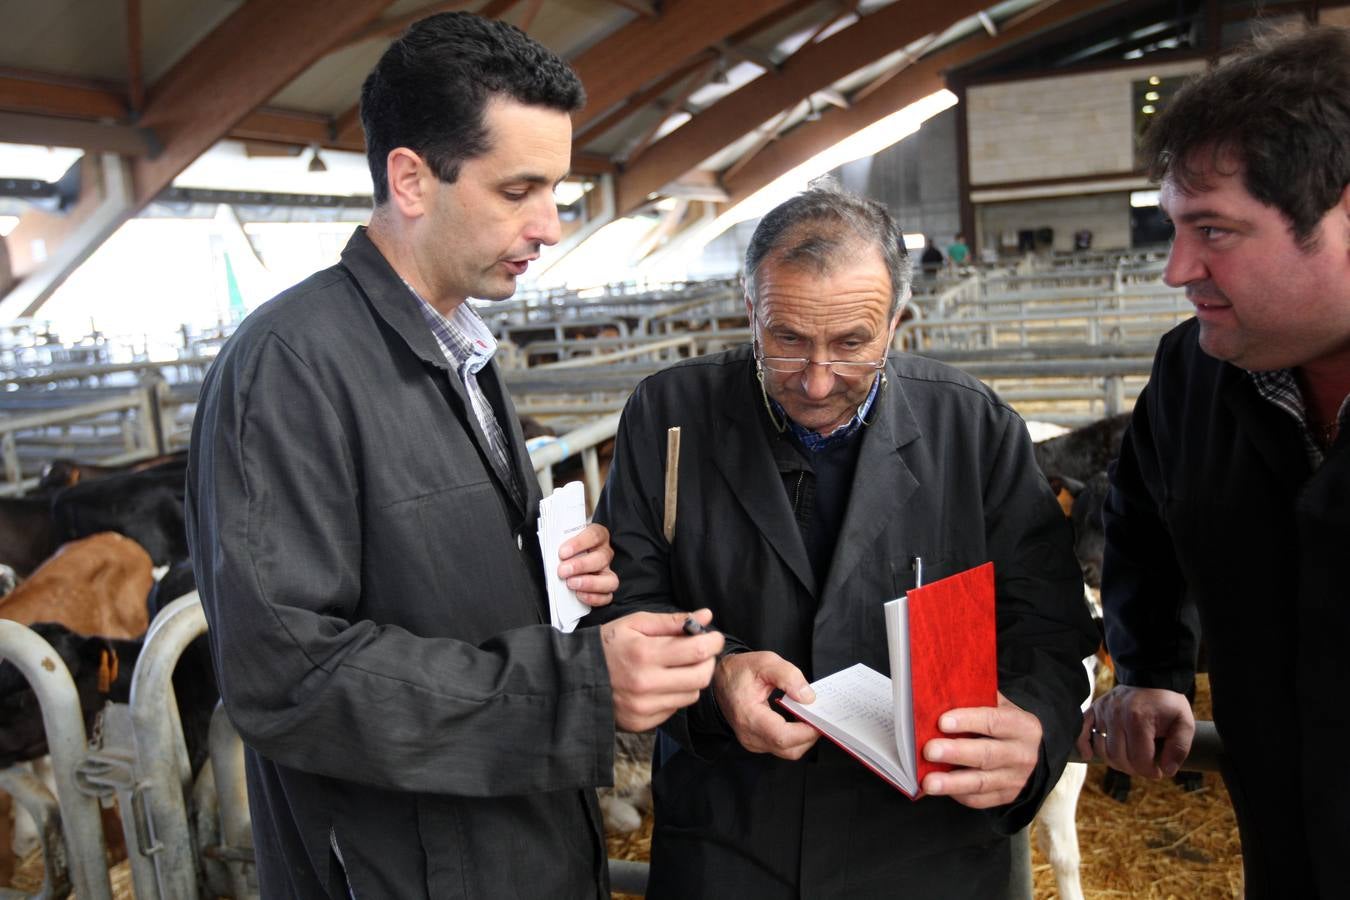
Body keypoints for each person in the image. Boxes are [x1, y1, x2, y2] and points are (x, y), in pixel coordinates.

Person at [184, 13, 724, 898]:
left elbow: (417, 581)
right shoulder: (290, 367)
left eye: (555, 188)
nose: (550, 225)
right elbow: (289, 674)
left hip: (514, 843)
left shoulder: (459, 349)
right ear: (412, 178)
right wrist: (576, 691)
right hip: (402, 869)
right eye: (519, 190)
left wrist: (544, 577)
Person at [593, 182, 1098, 898]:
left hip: (929, 850)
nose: (818, 379)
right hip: (732, 840)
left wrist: (1037, 730)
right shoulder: (669, 416)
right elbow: (626, 601)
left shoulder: (975, 429)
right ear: (750, 312)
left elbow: (1049, 629)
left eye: (852, 343)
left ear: (897, 323)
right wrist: (715, 682)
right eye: (788, 339)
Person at [1079, 26, 1350, 899]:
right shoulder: (1195, 373)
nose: (1176, 269)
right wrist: (1153, 668)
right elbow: (1147, 518)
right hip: (1283, 843)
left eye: (1215, 230)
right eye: (1173, 227)